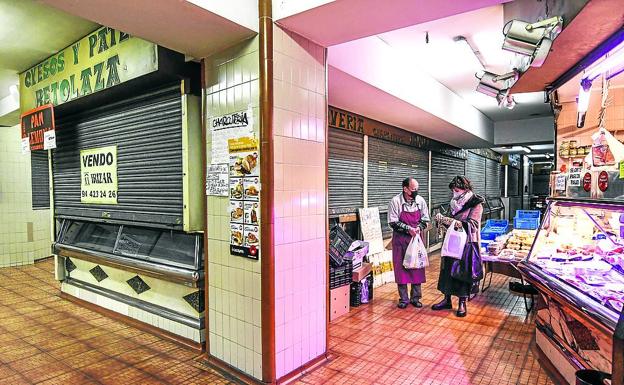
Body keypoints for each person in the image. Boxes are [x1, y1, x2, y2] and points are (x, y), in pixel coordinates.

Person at [433, 175, 484, 317]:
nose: (454, 193)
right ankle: (446, 299)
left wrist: (452, 221)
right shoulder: (453, 202)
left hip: (466, 243)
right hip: (451, 242)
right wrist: (441, 219)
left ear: (464, 189)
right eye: (453, 190)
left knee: (462, 272)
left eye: (456, 190)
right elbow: (450, 219)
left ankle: (462, 303)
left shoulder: (476, 203)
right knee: (447, 270)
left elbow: (473, 225)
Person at [388, 177, 430, 309]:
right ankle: (404, 299)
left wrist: (419, 228)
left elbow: (425, 219)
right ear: (405, 189)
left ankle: (416, 298)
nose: (416, 192)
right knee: (401, 270)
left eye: (417, 189)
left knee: (417, 268)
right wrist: (408, 229)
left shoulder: (420, 201)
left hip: (416, 240)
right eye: (413, 190)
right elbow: (393, 222)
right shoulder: (395, 202)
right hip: (401, 241)